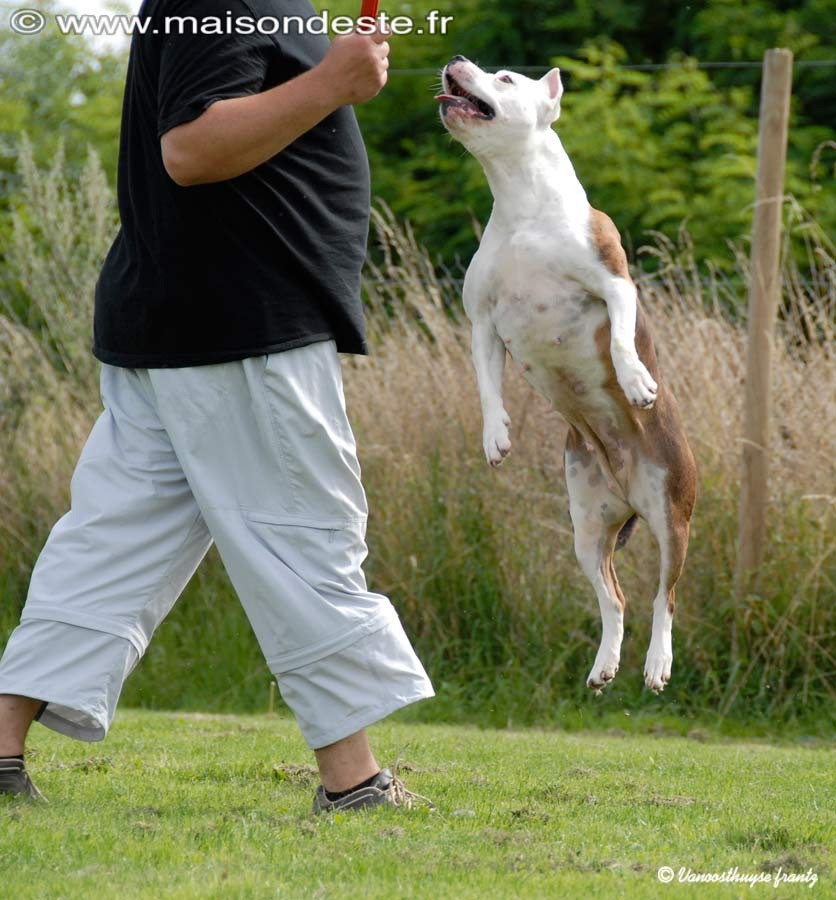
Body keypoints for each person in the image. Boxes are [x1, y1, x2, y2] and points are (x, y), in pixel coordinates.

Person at [0, 0, 435, 813]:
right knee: (302, 538)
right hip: (241, 329)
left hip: (184, 323)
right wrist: (332, 83)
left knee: (109, 545)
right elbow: (192, 149)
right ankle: (354, 784)